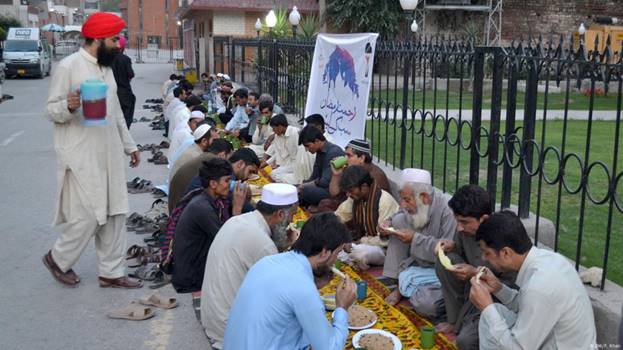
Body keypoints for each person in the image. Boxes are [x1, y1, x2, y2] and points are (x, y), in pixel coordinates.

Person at [42, 12, 142, 288]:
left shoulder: (106, 68)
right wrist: (69, 106)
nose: (118, 44)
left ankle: (111, 271)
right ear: (97, 39)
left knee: (115, 212)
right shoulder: (69, 67)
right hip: (81, 155)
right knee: (88, 214)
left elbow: (117, 112)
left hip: (108, 151)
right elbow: (51, 110)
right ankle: (57, 258)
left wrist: (129, 145)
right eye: (113, 39)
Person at [223, 213, 356, 350]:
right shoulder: (303, 288)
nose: (336, 260)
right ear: (325, 253)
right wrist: (342, 307)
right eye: (337, 253)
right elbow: (329, 348)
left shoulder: (267, 262)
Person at [469, 211, 596, 350]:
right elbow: (526, 305)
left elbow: (518, 348)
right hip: (557, 341)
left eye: (487, 253)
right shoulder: (548, 259)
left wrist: (486, 307)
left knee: (491, 316)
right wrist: (498, 288)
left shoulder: (539, 286)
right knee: (495, 314)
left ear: (506, 252)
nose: (483, 258)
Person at [201, 183, 300, 348]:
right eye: (291, 216)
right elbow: (281, 295)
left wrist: (282, 244)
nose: (291, 221)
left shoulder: (239, 220)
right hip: (230, 330)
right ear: (281, 214)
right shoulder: (263, 244)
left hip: (213, 318)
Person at [434, 185, 515, 350]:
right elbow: (464, 254)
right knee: (445, 261)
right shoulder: (465, 232)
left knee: (466, 341)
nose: (459, 227)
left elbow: (509, 288)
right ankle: (454, 319)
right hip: (472, 289)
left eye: (464, 222)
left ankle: (464, 322)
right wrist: (452, 247)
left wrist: (474, 272)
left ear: (484, 219)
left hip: (497, 300)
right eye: (457, 221)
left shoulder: (505, 236)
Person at [377, 168, 456, 318]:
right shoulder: (413, 204)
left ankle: (409, 286)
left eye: (407, 200)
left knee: (425, 304)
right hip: (417, 262)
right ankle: (400, 284)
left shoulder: (448, 210)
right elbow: (400, 213)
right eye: (402, 199)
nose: (403, 204)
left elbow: (447, 251)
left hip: (441, 271)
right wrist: (387, 223)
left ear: (424, 197)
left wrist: (415, 239)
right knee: (398, 222)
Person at [171, 158, 248, 293]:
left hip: (193, 266)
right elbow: (227, 241)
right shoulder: (202, 208)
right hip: (191, 278)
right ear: (213, 183)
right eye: (226, 181)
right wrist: (237, 208)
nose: (229, 185)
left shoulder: (209, 199)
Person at [168, 138, 233, 214]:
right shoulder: (212, 160)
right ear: (222, 155)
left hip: (176, 204)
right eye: (229, 158)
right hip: (179, 208)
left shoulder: (205, 156)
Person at [335, 165, 399, 242]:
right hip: (365, 242)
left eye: (350, 191)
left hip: (383, 247)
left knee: (360, 253)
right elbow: (340, 215)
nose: (348, 194)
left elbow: (386, 239)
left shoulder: (384, 201)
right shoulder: (355, 197)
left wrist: (360, 242)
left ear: (364, 186)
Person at [298, 125, 344, 207]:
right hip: (323, 188)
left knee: (305, 190)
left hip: (333, 192)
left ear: (317, 141)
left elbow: (324, 182)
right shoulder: (320, 151)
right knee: (298, 187)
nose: (306, 150)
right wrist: (302, 185)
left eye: (307, 146)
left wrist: (304, 186)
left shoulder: (333, 152)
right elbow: (314, 176)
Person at [185, 147, 261, 196]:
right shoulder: (227, 175)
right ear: (240, 164)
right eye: (250, 171)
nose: (249, 176)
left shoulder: (222, 167)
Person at [264, 114, 300, 184]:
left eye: (273, 128)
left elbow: (300, 154)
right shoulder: (277, 136)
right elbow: (278, 154)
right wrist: (278, 166)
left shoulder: (294, 133)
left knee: (274, 174)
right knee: (274, 174)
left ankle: (298, 180)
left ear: (280, 127)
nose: (273, 131)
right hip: (288, 164)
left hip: (297, 164)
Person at [111, 36, 136, 129]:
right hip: (124, 91)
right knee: (127, 111)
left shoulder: (107, 59)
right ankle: (125, 131)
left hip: (111, 91)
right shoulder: (125, 59)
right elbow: (131, 74)